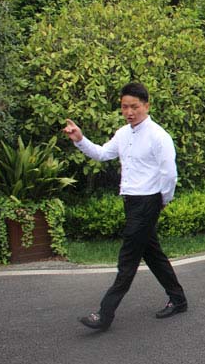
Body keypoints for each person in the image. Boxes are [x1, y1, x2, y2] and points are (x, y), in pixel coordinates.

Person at [63, 82, 187, 331]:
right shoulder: (123, 134)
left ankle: (105, 314)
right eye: (124, 107)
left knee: (127, 259)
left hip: (148, 201)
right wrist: (80, 140)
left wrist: (163, 200)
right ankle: (178, 299)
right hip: (131, 201)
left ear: (146, 106)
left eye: (134, 107)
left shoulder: (158, 136)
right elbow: (101, 153)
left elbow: (169, 174)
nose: (129, 112)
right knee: (152, 253)